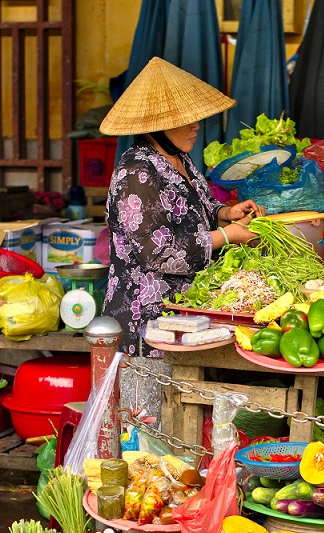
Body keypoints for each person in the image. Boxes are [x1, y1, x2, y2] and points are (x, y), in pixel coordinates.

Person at [99, 57, 264, 354]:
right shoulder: (137, 172)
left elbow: (193, 205)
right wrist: (229, 235)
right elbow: (157, 252)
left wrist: (225, 213)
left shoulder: (177, 157)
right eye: (186, 119)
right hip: (148, 320)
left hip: (183, 317)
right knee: (150, 400)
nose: (197, 126)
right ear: (159, 125)